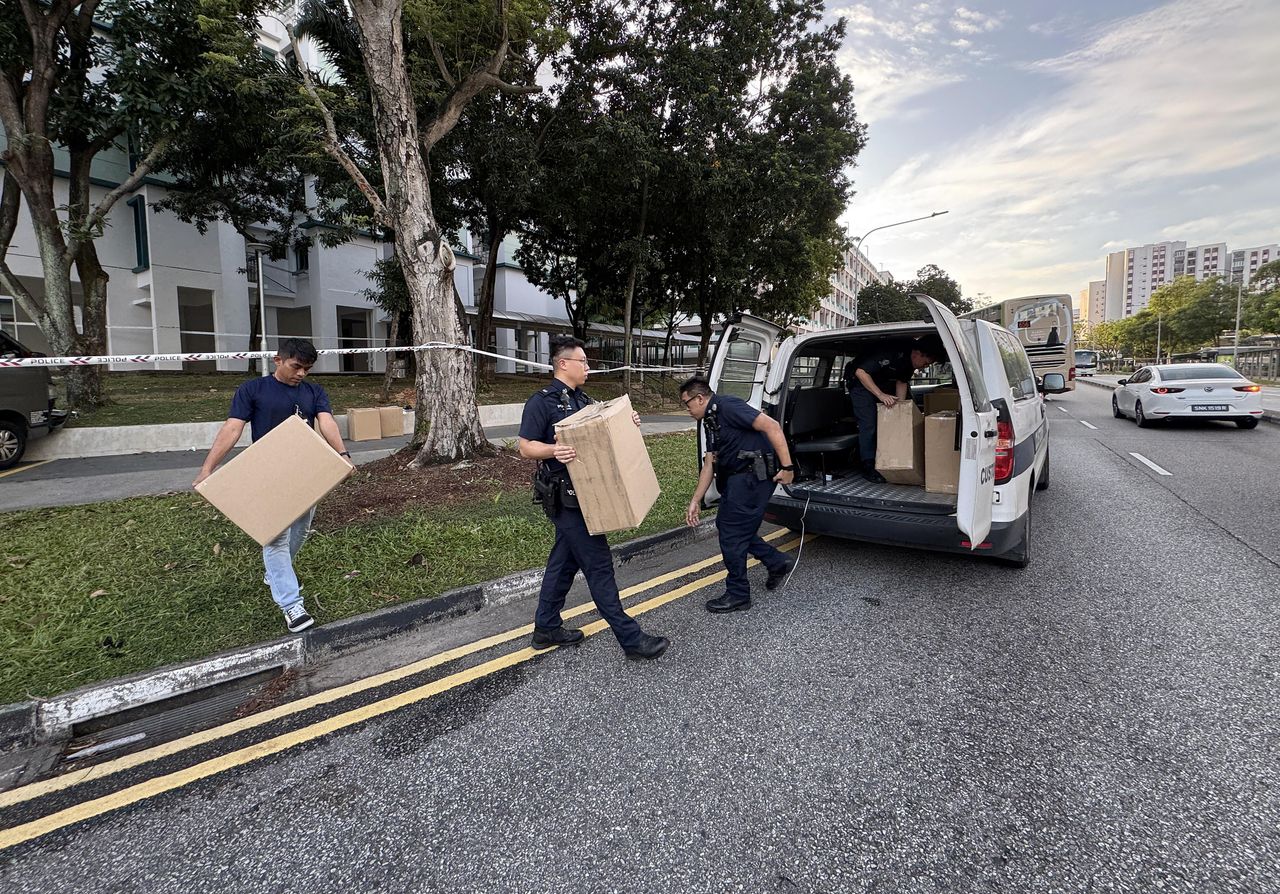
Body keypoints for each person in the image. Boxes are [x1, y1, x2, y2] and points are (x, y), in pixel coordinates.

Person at [518, 335, 669, 661]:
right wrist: (553, 449)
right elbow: (525, 446)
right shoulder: (541, 403)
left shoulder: (583, 400)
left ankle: (545, 628)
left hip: (588, 493)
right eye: (583, 362)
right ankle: (631, 640)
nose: (588, 367)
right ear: (563, 363)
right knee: (599, 566)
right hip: (566, 497)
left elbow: (601, 432)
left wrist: (628, 423)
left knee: (563, 562)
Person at [193, 338, 353, 633]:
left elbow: (327, 421)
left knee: (302, 529)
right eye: (296, 366)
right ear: (278, 360)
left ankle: (276, 573)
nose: (302, 373)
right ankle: (291, 604)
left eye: (307, 369)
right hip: (268, 475)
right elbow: (232, 428)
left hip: (305, 473)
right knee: (276, 539)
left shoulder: (313, 392)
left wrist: (343, 455)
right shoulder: (252, 390)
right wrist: (207, 469)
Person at [679, 375, 797, 614]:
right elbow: (710, 464)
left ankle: (738, 594)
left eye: (687, 404)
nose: (687, 410)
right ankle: (777, 562)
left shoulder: (728, 406)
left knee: (732, 534)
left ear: (699, 398)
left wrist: (788, 468)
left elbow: (771, 426)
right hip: (737, 480)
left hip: (751, 478)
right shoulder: (710, 421)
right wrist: (695, 500)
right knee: (729, 525)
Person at [843, 334, 946, 484]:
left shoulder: (910, 363)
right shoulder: (891, 352)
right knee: (869, 423)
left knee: (895, 419)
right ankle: (868, 466)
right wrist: (881, 395)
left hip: (880, 381)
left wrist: (900, 411)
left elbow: (901, 382)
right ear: (918, 353)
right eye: (925, 364)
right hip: (860, 382)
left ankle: (890, 459)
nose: (925, 367)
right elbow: (861, 372)